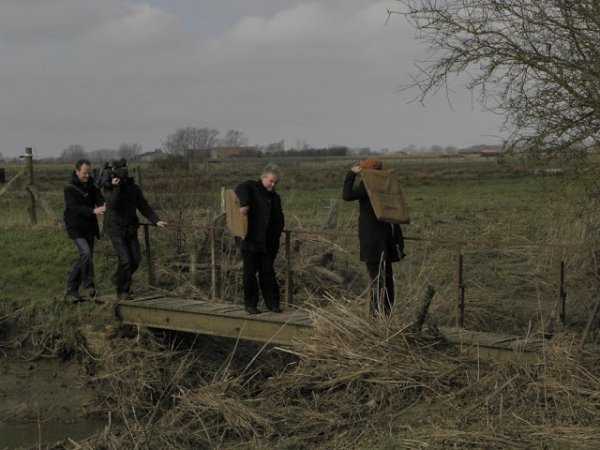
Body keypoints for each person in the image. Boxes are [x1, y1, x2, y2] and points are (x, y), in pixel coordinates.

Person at [342, 158, 405, 317]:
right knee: (387, 280)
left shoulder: (367, 186)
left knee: (376, 280)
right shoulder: (385, 184)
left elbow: (347, 195)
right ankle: (387, 314)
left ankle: (377, 316)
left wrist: (351, 175)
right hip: (387, 239)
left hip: (371, 241)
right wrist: (386, 176)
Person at [103, 159, 167, 300]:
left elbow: (143, 206)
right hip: (115, 228)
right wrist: (117, 188)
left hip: (130, 227)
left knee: (136, 260)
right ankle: (122, 291)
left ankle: (117, 278)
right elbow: (113, 205)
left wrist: (156, 220)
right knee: (125, 260)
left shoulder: (134, 188)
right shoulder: (109, 188)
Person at [234, 164, 285, 314]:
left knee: (268, 273)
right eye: (271, 181)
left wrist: (277, 234)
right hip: (250, 241)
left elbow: (278, 217)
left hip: (268, 243)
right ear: (263, 177)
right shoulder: (251, 187)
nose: (273, 185)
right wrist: (245, 204)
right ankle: (250, 304)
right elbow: (239, 190)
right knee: (249, 273)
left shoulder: (275, 197)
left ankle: (273, 304)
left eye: (276, 182)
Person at [63, 159, 106, 302]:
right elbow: (74, 207)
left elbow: (100, 200)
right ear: (77, 172)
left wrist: (105, 204)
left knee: (86, 257)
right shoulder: (69, 189)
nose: (87, 175)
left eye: (89, 172)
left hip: (89, 227)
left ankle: (71, 287)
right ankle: (89, 286)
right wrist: (93, 210)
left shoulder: (93, 187)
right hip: (75, 227)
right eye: (84, 173)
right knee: (86, 253)